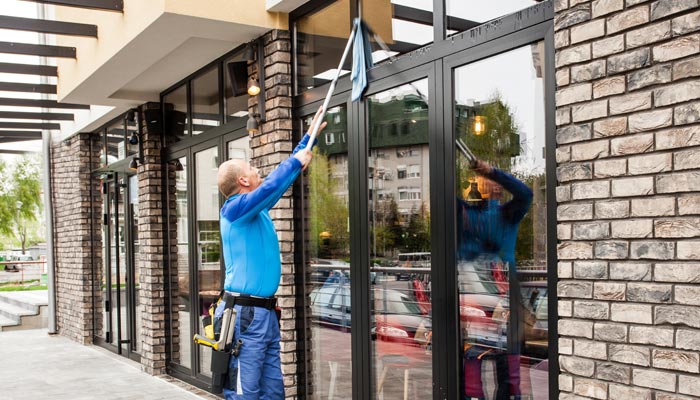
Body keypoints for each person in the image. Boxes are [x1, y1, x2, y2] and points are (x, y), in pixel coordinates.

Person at [215, 107, 326, 399]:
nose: (257, 170)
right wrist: (293, 162)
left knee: (273, 391)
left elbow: (278, 185)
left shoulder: (255, 210)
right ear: (242, 181)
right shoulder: (234, 210)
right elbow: (271, 187)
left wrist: (308, 140)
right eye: (251, 168)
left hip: (263, 314)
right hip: (244, 314)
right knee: (245, 392)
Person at [457, 159, 533, 400]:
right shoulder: (466, 214)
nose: (493, 185)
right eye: (486, 180)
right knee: (472, 370)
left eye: (495, 182)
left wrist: (493, 172)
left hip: (503, 298)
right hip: (474, 298)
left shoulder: (507, 214)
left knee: (509, 372)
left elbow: (526, 194)